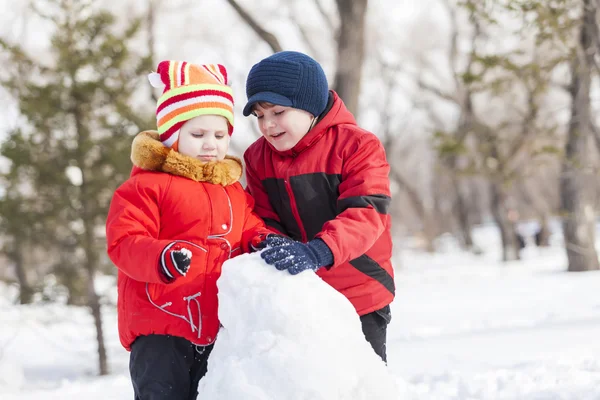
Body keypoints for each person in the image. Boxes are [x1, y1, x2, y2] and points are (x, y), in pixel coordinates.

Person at [106, 60, 269, 400]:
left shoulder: (232, 190)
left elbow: (249, 226)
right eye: (197, 134)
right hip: (160, 328)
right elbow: (125, 240)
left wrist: (264, 242)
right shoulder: (148, 186)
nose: (210, 144)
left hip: (215, 330)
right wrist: (160, 257)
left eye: (219, 135)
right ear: (172, 135)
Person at [242, 51, 395, 362]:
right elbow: (261, 216)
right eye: (259, 116)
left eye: (278, 112)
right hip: (300, 295)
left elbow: (365, 212)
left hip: (359, 292)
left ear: (308, 105)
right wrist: (268, 239)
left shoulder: (356, 145)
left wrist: (319, 250)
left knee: (358, 384)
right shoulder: (257, 158)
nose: (268, 125)